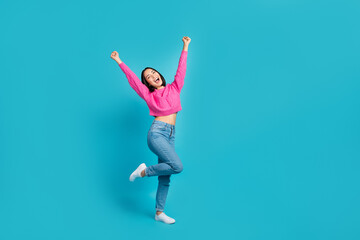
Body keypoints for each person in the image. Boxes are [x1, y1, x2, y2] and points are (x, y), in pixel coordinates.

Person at [110, 36, 191, 224]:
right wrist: (119, 61)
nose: (151, 76)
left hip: (170, 134)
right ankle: (144, 171)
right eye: (147, 77)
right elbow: (133, 81)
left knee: (166, 175)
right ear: (148, 83)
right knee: (177, 166)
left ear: (159, 75)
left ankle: (159, 213)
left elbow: (181, 70)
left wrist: (185, 47)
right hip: (157, 133)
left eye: (153, 72)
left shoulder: (174, 87)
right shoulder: (149, 95)